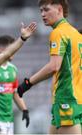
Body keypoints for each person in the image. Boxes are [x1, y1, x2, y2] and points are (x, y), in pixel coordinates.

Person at [17, 0, 82, 134]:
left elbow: (54, 66)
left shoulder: (58, 32)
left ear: (59, 9)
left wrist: (28, 83)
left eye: (46, 10)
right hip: (75, 98)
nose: (42, 14)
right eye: (41, 11)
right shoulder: (75, 33)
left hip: (67, 98)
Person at [0, 35, 30, 134]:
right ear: (1, 49)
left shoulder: (12, 69)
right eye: (13, 47)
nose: (15, 50)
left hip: (8, 119)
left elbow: (15, 92)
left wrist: (24, 110)